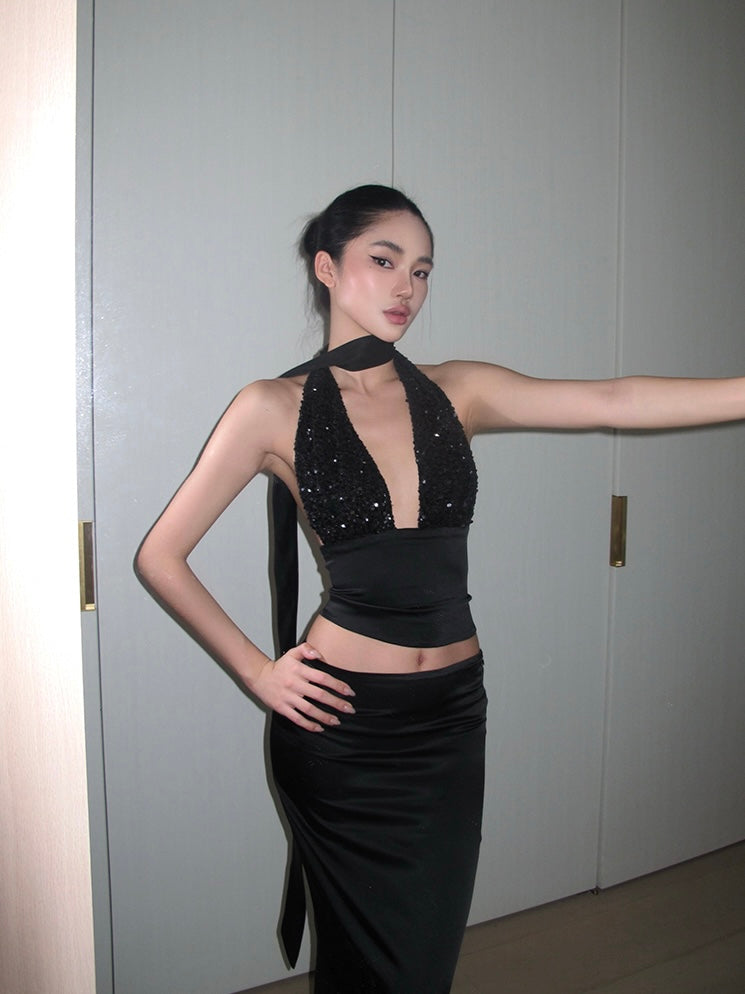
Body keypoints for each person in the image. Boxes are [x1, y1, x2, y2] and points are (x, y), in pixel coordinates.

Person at [136, 184, 745, 993]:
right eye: (384, 261)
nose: (406, 288)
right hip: (341, 731)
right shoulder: (270, 407)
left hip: (450, 720)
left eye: (421, 271)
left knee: (424, 962)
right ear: (327, 267)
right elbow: (161, 555)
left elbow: (612, 398)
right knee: (364, 970)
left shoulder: (458, 391)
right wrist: (258, 672)